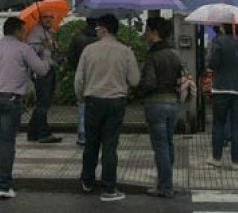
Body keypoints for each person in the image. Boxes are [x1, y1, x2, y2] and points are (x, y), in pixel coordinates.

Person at [0, 17, 52, 200]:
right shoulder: (24, 49)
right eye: (23, 31)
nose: (24, 34)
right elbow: (41, 70)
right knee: (8, 141)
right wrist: (46, 51)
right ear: (17, 31)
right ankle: (4, 185)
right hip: (11, 98)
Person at [75, 14, 140, 202]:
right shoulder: (125, 51)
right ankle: (109, 188)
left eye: (97, 29)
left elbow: (79, 80)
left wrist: (82, 97)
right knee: (110, 145)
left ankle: (87, 181)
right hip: (116, 101)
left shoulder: (89, 50)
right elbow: (135, 80)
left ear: (103, 30)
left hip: (93, 100)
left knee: (91, 143)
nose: (96, 32)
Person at [137, 17, 182, 199]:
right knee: (169, 143)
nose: (145, 33)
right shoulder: (174, 53)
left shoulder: (152, 55)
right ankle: (167, 181)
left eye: (147, 30)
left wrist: (138, 88)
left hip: (156, 103)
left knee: (160, 146)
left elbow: (149, 82)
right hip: (173, 102)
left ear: (155, 32)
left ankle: (165, 186)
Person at [205, 24, 238, 170]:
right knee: (237, 125)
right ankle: (236, 161)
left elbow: (212, 64)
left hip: (221, 88)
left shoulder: (219, 42)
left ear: (225, 28)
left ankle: (216, 158)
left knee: (219, 123)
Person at [27, 13, 62, 143]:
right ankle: (43, 133)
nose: (49, 19)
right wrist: (43, 46)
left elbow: (53, 51)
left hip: (50, 68)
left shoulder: (51, 32)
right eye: (45, 17)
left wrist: (55, 47)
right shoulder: (35, 32)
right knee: (43, 103)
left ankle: (32, 132)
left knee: (44, 102)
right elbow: (30, 50)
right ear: (40, 18)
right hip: (42, 71)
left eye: (50, 17)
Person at [67, 18, 99, 147]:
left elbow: (71, 57)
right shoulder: (100, 40)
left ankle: (82, 134)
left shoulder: (78, 38)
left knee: (82, 103)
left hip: (81, 73)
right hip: (97, 75)